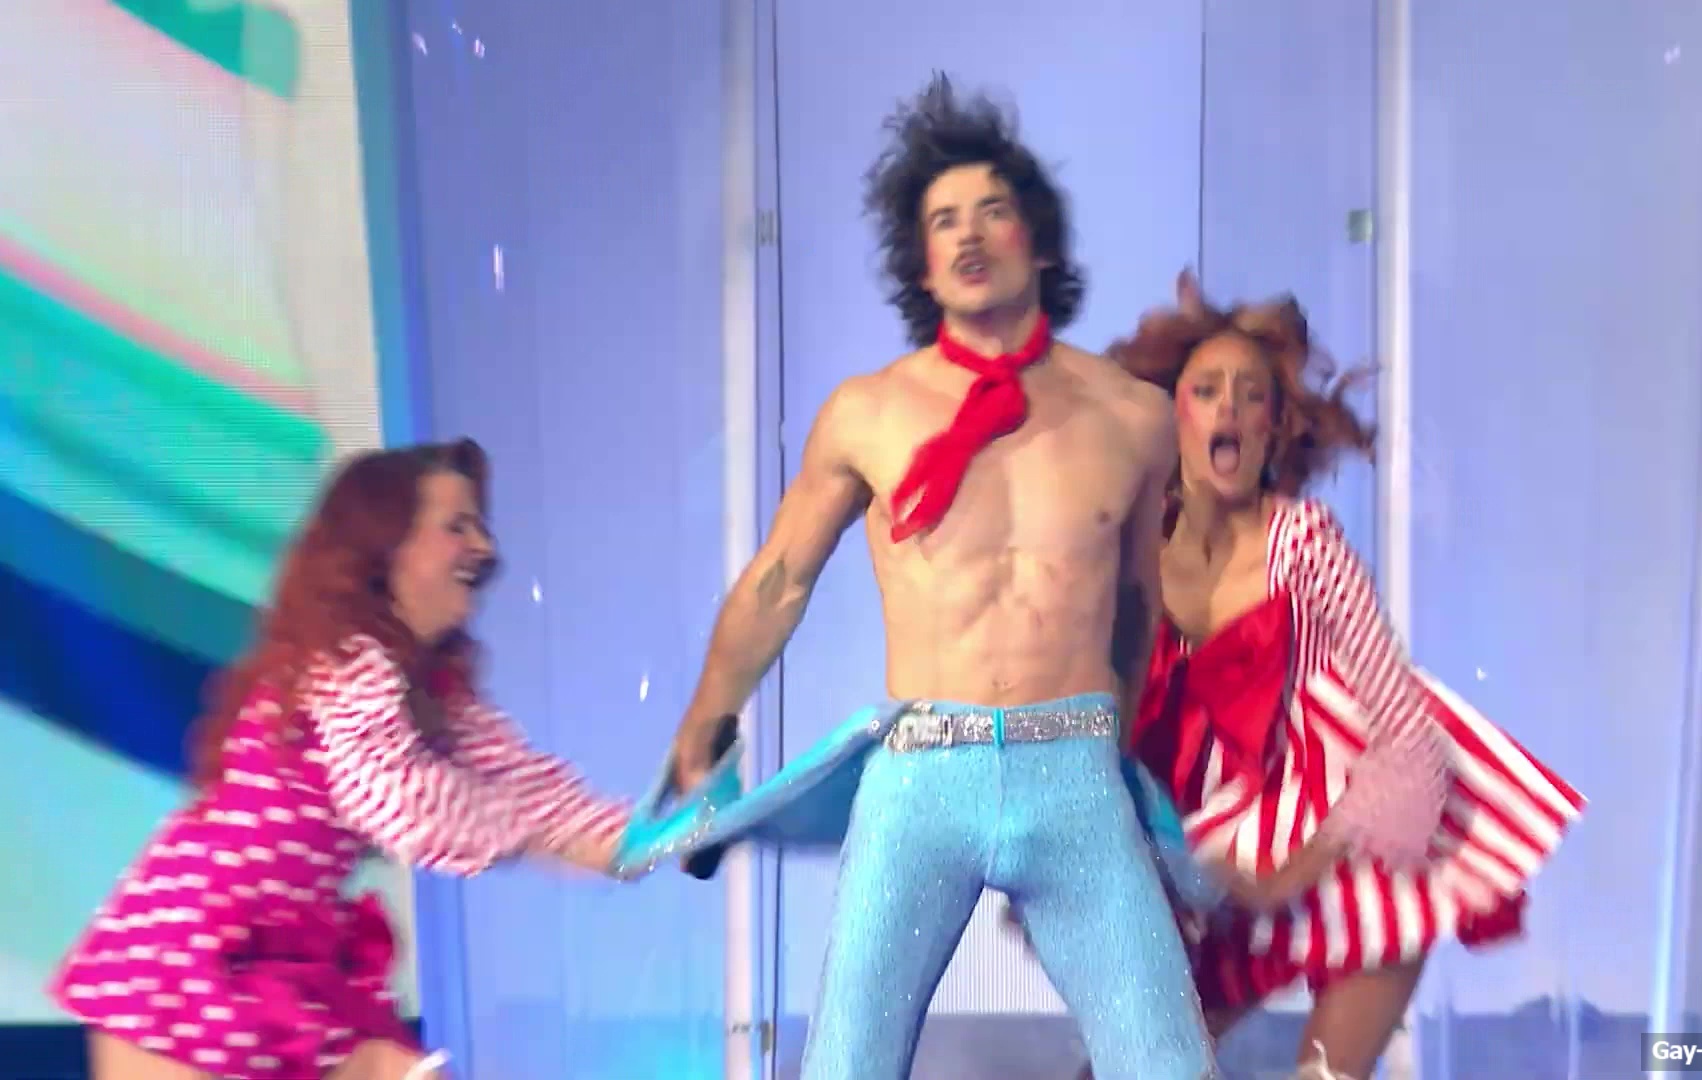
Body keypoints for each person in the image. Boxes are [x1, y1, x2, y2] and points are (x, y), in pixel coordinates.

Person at [624, 75, 1222, 1079]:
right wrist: (703, 726)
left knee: (1170, 1066)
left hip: (1074, 772)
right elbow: (779, 583)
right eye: (944, 220)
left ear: (1039, 239)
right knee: (846, 1065)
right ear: (922, 262)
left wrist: (1116, 752)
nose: (970, 235)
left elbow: (1136, 605)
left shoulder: (1134, 417)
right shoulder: (867, 412)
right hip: (921, 779)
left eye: (992, 210)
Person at [1107, 272, 1587, 1079]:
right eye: (1208, 390)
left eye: (1252, 396)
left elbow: (1412, 747)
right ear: (1170, 415)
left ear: (1273, 429)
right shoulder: (1127, 552)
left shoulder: (1304, 542)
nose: (1230, 409)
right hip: (1209, 859)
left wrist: (1292, 875)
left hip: (1345, 841)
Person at [48, 440, 634, 1080]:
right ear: (387, 548)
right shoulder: (347, 662)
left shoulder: (430, 692)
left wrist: (662, 836)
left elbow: (537, 794)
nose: (485, 548)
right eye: (456, 527)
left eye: (480, 527)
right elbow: (396, 798)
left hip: (261, 959)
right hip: (194, 961)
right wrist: (537, 835)